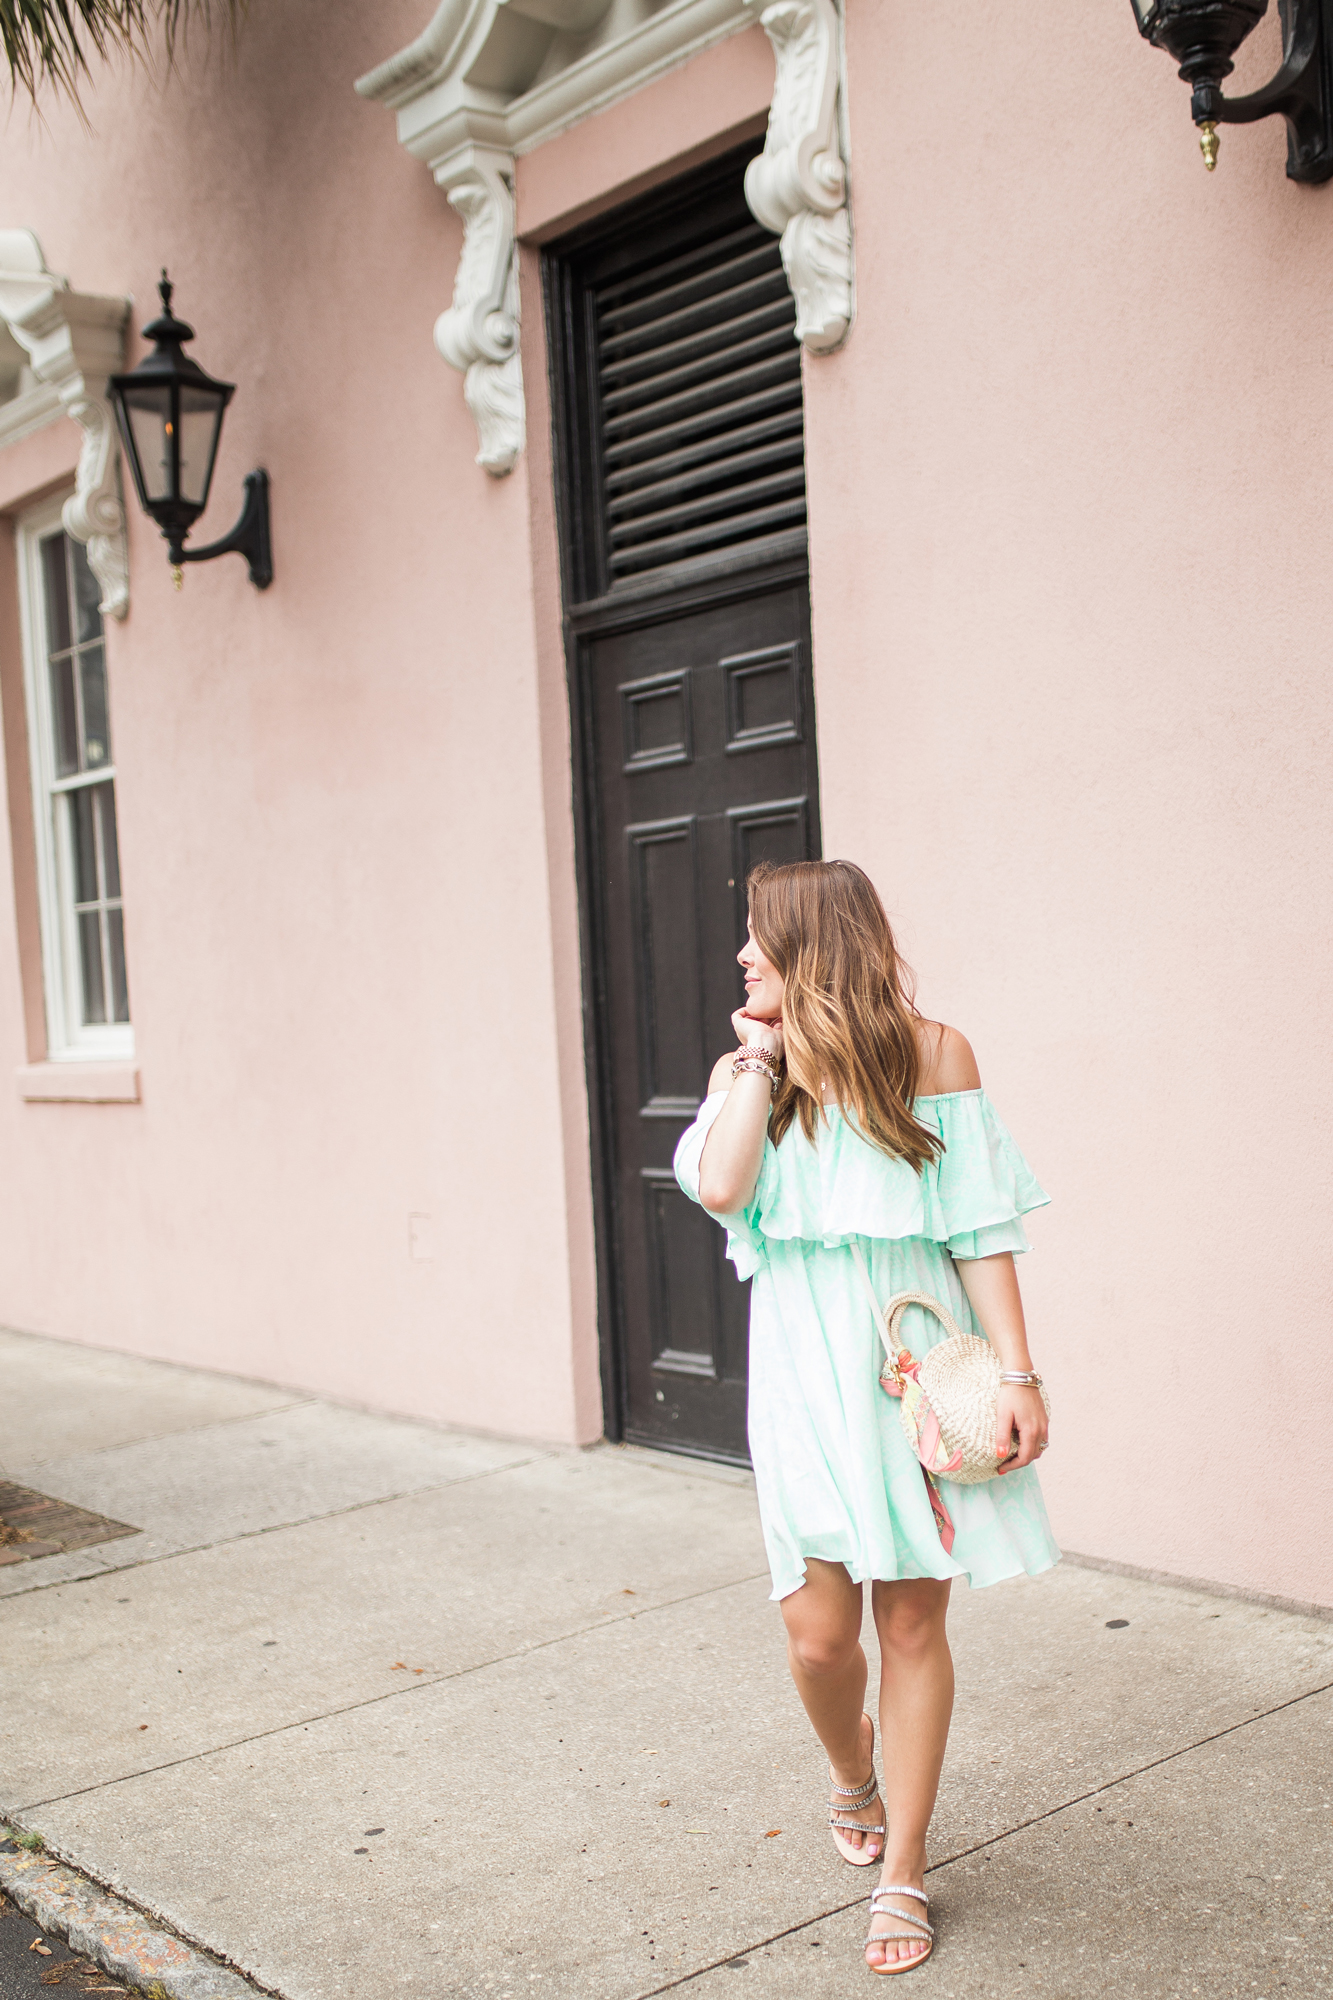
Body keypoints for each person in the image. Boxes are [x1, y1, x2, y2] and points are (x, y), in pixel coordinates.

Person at [673, 859, 1059, 1977]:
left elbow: (982, 1229)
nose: (743, 956)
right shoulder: (752, 1070)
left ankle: (908, 1867)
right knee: (818, 1633)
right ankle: (853, 1770)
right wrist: (757, 1050)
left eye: (760, 940)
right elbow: (721, 1187)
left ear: (814, 944)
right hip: (799, 1375)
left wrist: (1019, 1374)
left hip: (913, 1364)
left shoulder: (935, 1054)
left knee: (909, 1625)